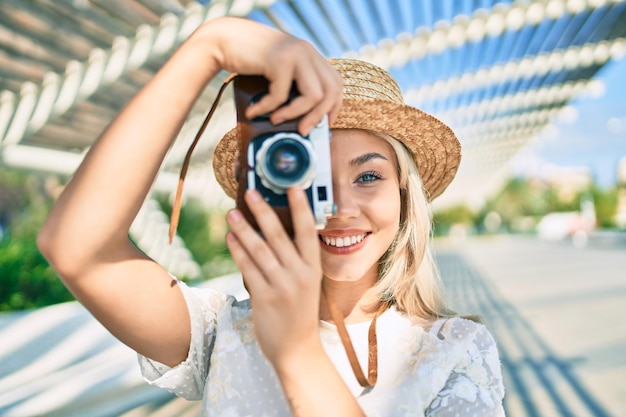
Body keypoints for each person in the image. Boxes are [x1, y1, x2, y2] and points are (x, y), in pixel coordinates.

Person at [38, 16, 505, 417]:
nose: (338, 208)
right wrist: (209, 44)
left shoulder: (457, 350)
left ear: (405, 195)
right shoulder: (221, 330)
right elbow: (77, 248)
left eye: (368, 177)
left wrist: (297, 350)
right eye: (309, 179)